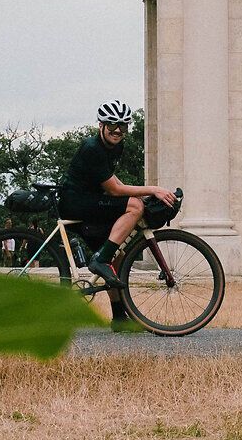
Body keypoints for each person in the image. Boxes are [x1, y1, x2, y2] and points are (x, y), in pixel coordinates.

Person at [58, 101, 177, 323]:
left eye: (123, 126)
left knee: (118, 255)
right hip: (76, 202)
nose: (118, 131)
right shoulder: (92, 147)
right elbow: (113, 190)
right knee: (135, 207)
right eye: (112, 125)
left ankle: (119, 318)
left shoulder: (115, 147)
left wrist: (138, 194)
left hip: (92, 201)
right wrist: (153, 189)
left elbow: (111, 179)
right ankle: (100, 261)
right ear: (101, 126)